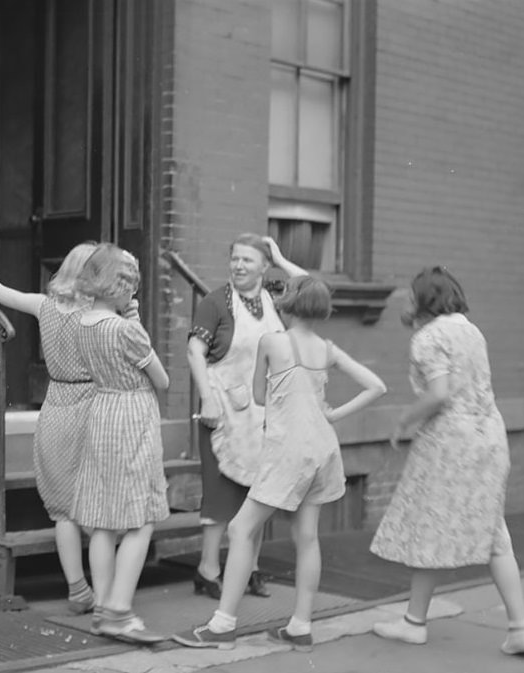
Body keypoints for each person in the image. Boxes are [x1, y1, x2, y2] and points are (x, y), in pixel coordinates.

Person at [174, 275, 387, 651]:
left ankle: (223, 625)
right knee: (307, 538)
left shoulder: (273, 341)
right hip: (323, 447)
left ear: (288, 304)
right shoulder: (327, 348)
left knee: (240, 530)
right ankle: (300, 626)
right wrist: (334, 415)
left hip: (288, 448)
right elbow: (376, 386)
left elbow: (258, 395)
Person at [369, 266, 524, 656]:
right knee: (495, 534)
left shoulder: (428, 337)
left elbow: (438, 394)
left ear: (425, 301)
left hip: (450, 442)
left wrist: (404, 418)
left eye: (412, 296)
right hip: (490, 435)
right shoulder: (471, 330)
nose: (407, 302)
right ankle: (518, 626)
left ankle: (414, 623)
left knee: (429, 524)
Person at [0, 242, 98, 615]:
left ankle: (78, 589)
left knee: (62, 510)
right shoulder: (102, 315)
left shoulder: (45, 306)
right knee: (98, 504)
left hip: (56, 406)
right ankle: (108, 589)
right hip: (94, 405)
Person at [186, 233, 306, 599]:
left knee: (259, 493)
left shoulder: (274, 297)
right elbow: (195, 351)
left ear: (264, 267)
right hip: (223, 411)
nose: (239, 266)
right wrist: (206, 398)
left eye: (248, 260)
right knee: (221, 496)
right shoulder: (214, 303)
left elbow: (310, 287)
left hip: (265, 413)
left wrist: (281, 257)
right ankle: (208, 570)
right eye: (235, 259)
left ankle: (250, 569)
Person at [71, 243, 170, 644]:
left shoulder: (82, 323)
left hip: (101, 412)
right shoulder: (127, 329)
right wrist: (137, 325)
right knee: (140, 517)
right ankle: (119, 609)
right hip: (132, 418)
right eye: (129, 283)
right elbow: (161, 379)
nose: (133, 291)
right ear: (118, 285)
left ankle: (101, 606)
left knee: (102, 519)